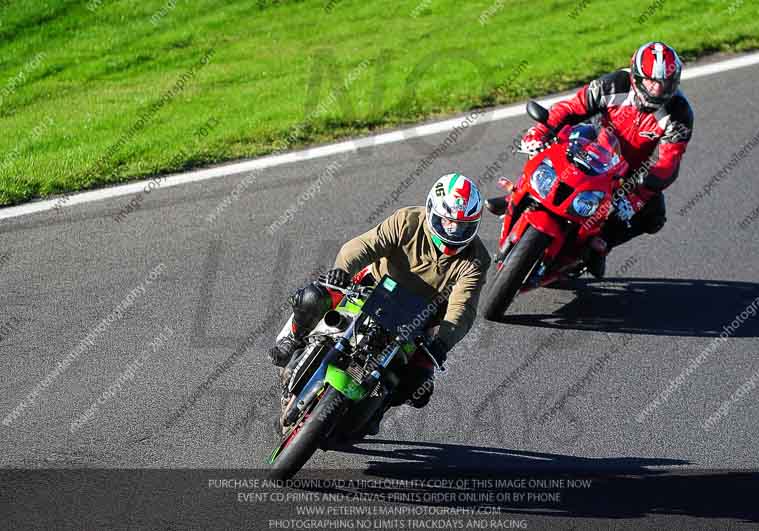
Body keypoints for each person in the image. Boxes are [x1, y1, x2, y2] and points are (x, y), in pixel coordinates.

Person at [269, 173, 491, 431]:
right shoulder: (407, 221)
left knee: (419, 386)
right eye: (447, 222)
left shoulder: (476, 259)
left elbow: (463, 306)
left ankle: (376, 407)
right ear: (432, 210)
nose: (453, 230)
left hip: (418, 320)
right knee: (314, 297)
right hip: (372, 287)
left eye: (462, 226)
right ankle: (294, 338)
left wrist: (443, 342)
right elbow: (365, 245)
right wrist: (343, 270)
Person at [485, 41, 693, 278]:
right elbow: (572, 107)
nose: (656, 90)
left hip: (629, 175)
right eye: (651, 81)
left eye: (664, 83)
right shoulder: (614, 83)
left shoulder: (679, 115)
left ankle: (600, 246)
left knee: (654, 216)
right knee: (548, 147)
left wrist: (637, 195)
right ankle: (520, 193)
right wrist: (541, 132)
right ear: (636, 76)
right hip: (590, 143)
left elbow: (668, 162)